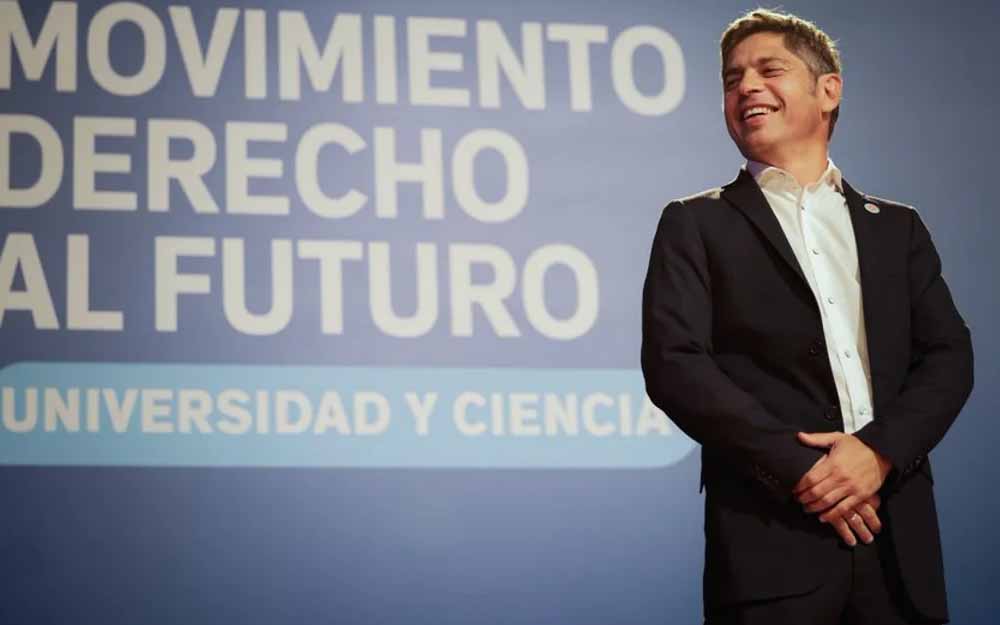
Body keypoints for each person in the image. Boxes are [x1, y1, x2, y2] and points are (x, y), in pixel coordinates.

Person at [640, 9, 974, 625]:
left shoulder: (897, 228)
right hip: (772, 548)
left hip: (899, 550)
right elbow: (675, 365)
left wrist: (877, 454)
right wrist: (805, 471)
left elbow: (949, 358)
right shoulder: (695, 223)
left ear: (828, 90)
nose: (746, 87)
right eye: (732, 79)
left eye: (769, 70)